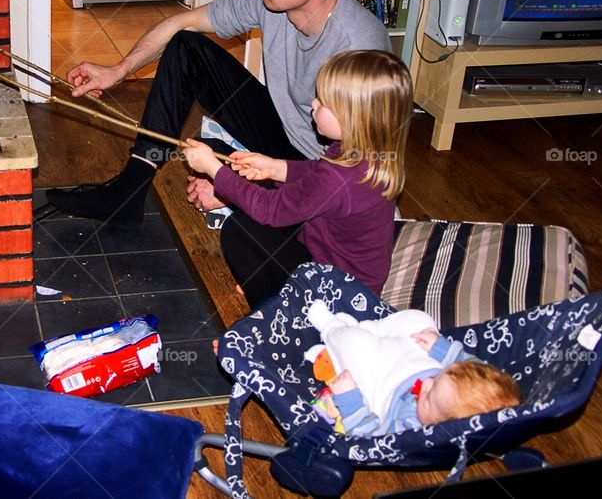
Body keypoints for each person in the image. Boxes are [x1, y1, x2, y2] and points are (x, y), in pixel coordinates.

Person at [47, 0, 391, 229]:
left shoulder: (359, 49)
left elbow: (358, 177)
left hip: (319, 171)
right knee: (186, 46)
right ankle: (128, 192)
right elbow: (182, 22)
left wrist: (231, 192)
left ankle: (253, 200)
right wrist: (118, 70)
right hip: (282, 133)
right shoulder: (269, 1)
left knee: (215, 167)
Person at [183, 49, 412, 308]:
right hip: (340, 267)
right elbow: (316, 174)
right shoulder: (363, 149)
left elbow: (270, 209)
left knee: (240, 230)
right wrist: (275, 168)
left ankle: (277, 311)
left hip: (337, 293)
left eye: (323, 102)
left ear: (352, 117)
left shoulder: (340, 178)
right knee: (263, 195)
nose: (313, 103)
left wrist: (213, 168)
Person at [303, 300, 521, 437]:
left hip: (379, 377)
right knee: (420, 320)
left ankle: (332, 328)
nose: (425, 384)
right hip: (416, 354)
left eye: (428, 397)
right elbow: (471, 364)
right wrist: (441, 349)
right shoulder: (451, 390)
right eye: (438, 378)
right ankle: (368, 328)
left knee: (353, 342)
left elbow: (368, 435)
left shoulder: (411, 428)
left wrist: (349, 398)